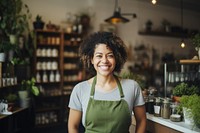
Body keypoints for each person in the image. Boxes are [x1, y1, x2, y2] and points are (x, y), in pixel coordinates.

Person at [68, 32, 146, 133]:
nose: (104, 60)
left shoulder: (132, 87)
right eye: (99, 56)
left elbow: (142, 121)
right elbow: (73, 126)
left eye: (110, 56)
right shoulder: (80, 89)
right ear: (91, 59)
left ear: (116, 59)